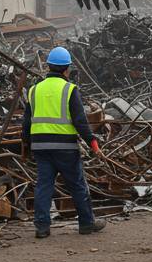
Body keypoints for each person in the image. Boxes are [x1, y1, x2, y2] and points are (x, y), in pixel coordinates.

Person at [22, 46, 102, 239]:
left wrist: (25, 145)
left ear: (48, 66)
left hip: (40, 147)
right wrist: (92, 142)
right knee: (77, 185)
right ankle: (86, 224)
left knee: (44, 186)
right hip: (65, 148)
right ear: (67, 69)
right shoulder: (69, 89)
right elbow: (80, 121)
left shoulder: (34, 90)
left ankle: (42, 227)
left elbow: (26, 123)